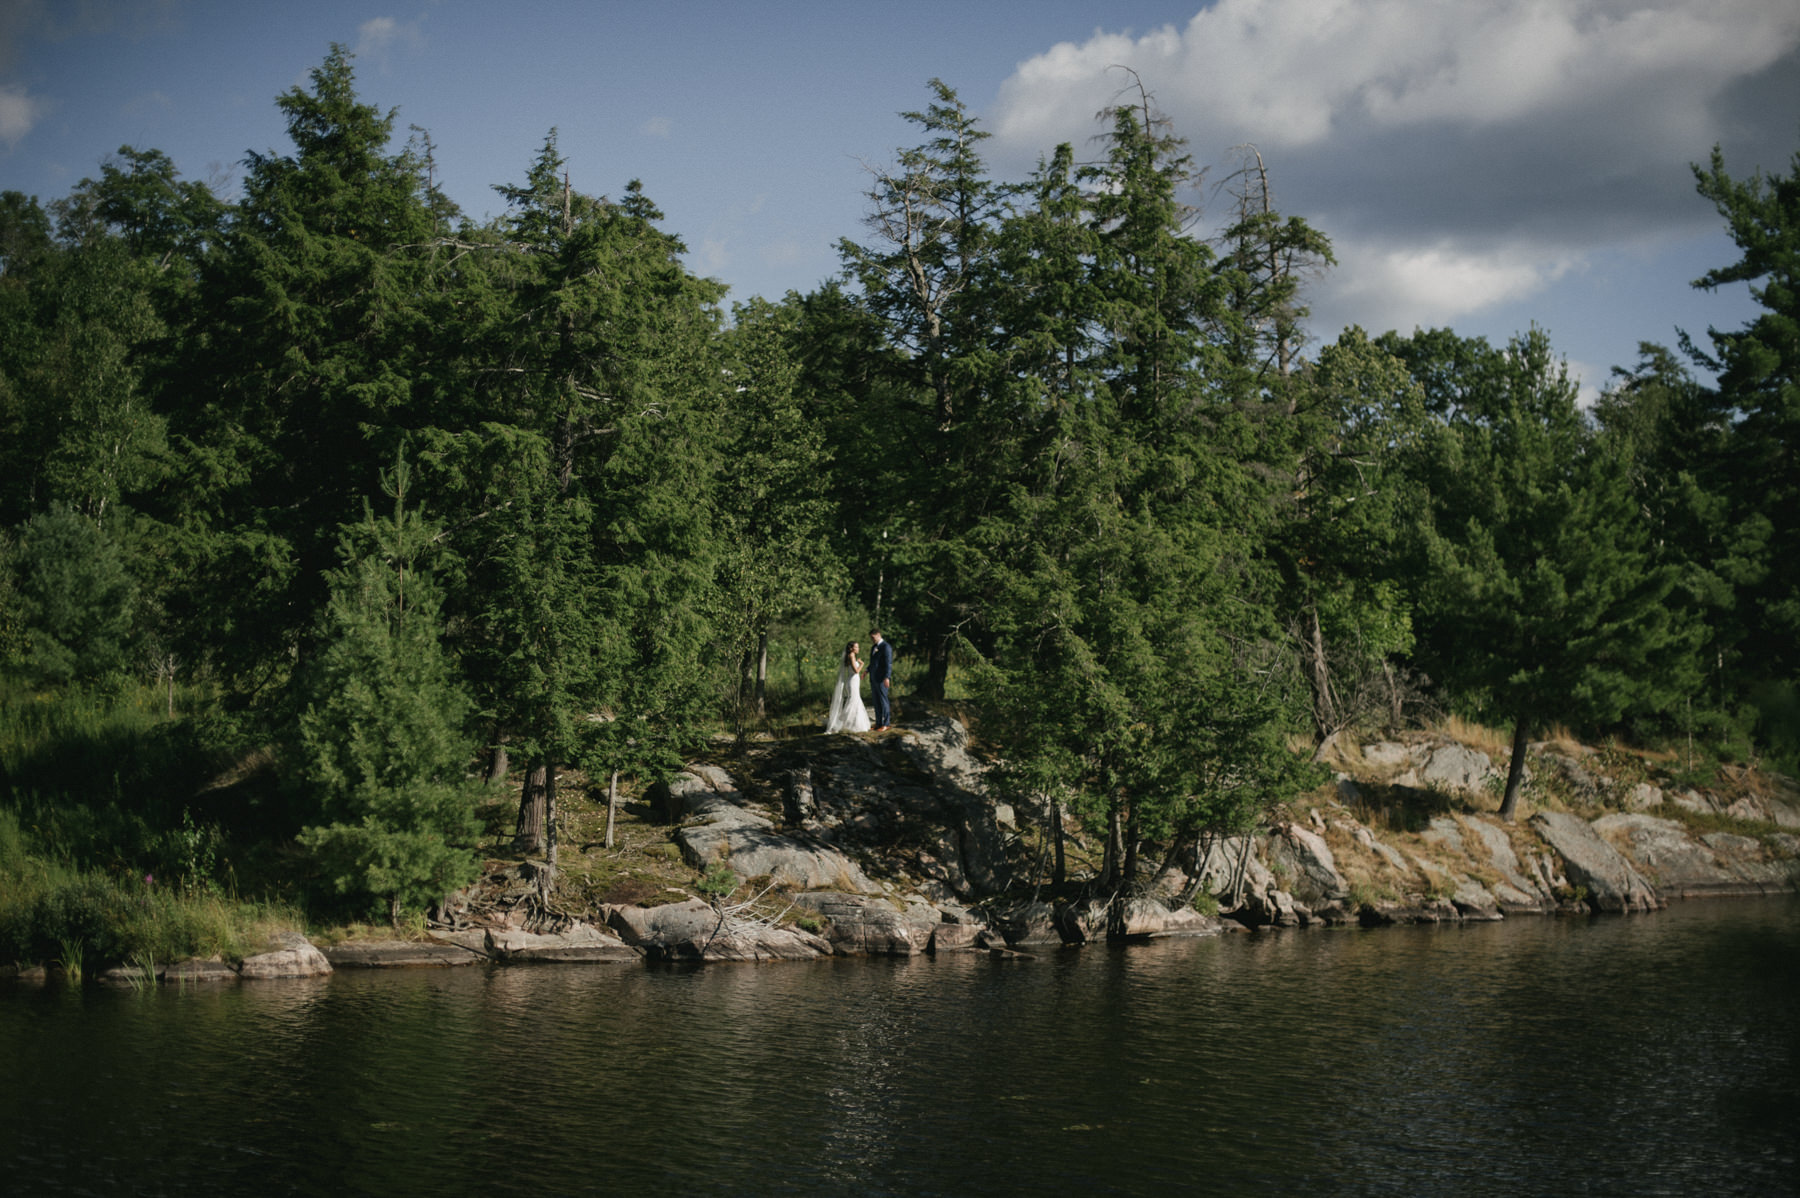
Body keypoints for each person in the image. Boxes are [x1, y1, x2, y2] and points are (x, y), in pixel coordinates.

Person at [824, 640, 872, 733]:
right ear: (851, 648)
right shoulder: (852, 656)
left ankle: (853, 723)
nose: (858, 648)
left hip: (853, 681)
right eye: (856, 647)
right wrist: (862, 664)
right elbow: (856, 671)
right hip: (852, 681)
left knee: (854, 700)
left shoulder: (850, 656)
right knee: (854, 700)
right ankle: (850, 723)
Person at [868, 628, 893, 731]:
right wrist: (867, 670)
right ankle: (878, 723)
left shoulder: (886, 647)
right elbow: (874, 662)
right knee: (876, 701)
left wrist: (887, 677)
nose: (872, 640)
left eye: (873, 638)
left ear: (878, 635)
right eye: (871, 638)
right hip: (874, 678)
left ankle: (886, 724)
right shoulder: (874, 647)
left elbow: (888, 664)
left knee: (883, 701)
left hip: (882, 679)